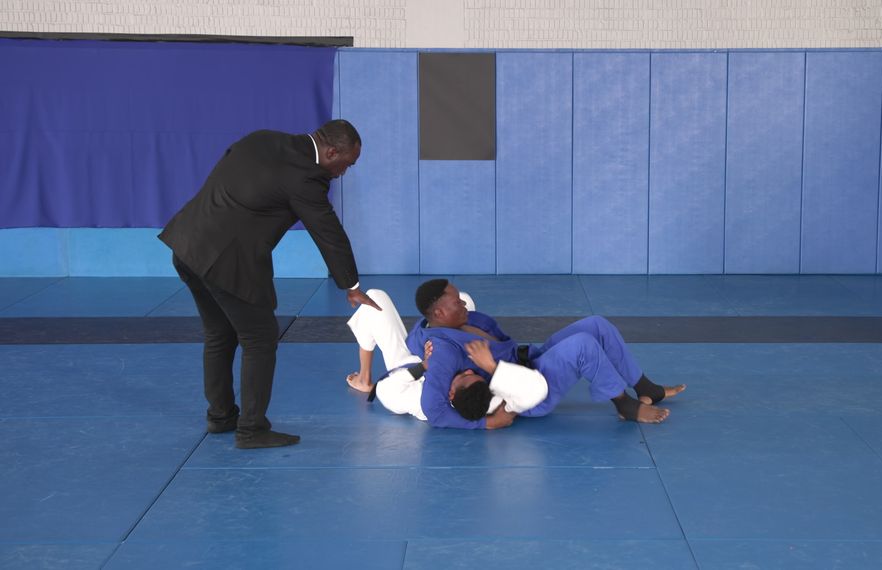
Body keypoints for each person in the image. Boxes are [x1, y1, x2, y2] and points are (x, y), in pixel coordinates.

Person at [159, 119, 381, 449]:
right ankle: (251, 430)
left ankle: (221, 417)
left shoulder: (262, 139)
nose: (344, 172)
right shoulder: (306, 176)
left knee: (219, 333)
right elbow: (328, 232)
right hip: (225, 260)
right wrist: (351, 284)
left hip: (188, 245)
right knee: (260, 338)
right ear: (332, 151)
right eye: (347, 164)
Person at [407, 279, 686, 430]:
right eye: (457, 302)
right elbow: (434, 410)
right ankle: (624, 404)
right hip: (525, 393)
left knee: (596, 325)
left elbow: (414, 336)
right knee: (581, 346)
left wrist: (420, 348)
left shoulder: (439, 326)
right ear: (440, 313)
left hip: (528, 360)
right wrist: (487, 422)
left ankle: (645, 386)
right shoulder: (442, 350)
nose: (464, 302)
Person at [344, 289, 548, 423]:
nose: (469, 370)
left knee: (374, 298)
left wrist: (423, 366)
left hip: (407, 363)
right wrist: (490, 423)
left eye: (465, 376)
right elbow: (526, 394)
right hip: (441, 347)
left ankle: (364, 378)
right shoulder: (483, 399)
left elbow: (386, 388)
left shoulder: (417, 401)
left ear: (450, 394)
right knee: (463, 300)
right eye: (472, 374)